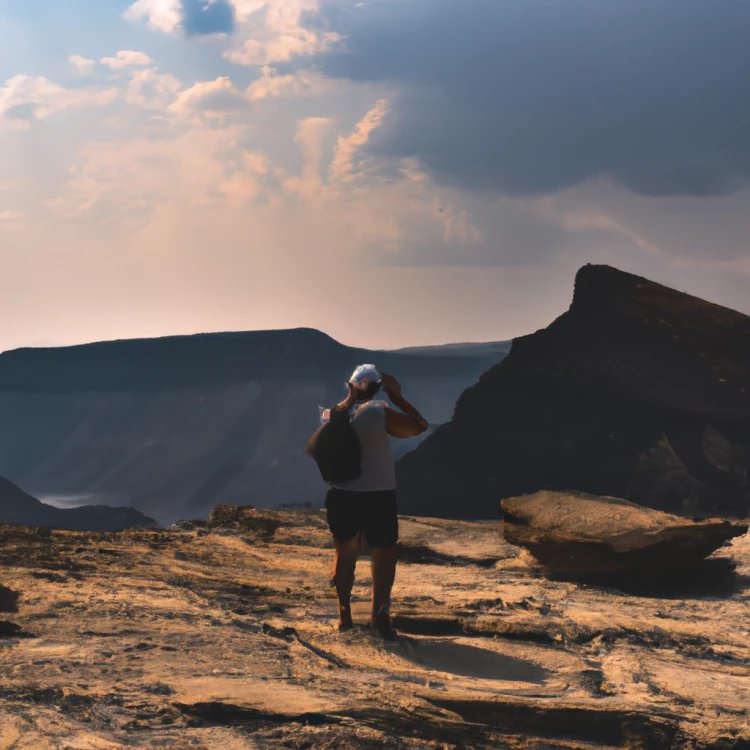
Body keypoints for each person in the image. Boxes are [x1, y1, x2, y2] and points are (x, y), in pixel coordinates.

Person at [321, 364, 429, 639]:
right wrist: (397, 397)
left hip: (340, 495)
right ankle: (380, 619)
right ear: (378, 388)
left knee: (344, 554)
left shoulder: (334, 414)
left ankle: (345, 617)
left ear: (350, 387)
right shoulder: (377, 411)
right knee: (383, 554)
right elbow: (418, 426)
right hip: (378, 494)